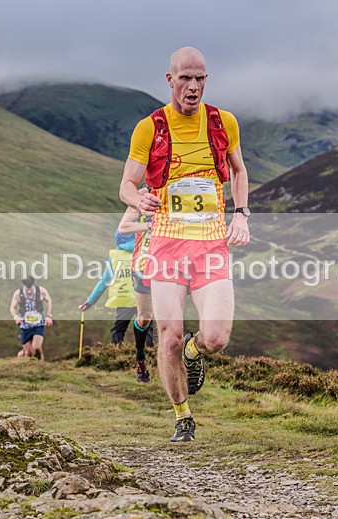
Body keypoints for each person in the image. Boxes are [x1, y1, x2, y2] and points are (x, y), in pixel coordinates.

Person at [119, 47, 250, 442]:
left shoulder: (223, 122)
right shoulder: (150, 128)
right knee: (169, 334)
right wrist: (136, 198)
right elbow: (127, 183)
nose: (193, 87)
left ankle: (195, 354)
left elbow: (239, 171)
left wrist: (241, 214)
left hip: (210, 246)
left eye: (201, 79)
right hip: (166, 247)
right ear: (170, 79)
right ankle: (182, 416)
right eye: (185, 79)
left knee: (216, 339)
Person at [79, 231, 154, 355]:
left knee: (118, 330)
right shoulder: (144, 253)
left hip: (123, 298)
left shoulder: (115, 257)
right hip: (143, 296)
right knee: (146, 328)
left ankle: (115, 356)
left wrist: (90, 301)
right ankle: (149, 357)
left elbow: (104, 282)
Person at [117, 199, 155, 383]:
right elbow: (123, 227)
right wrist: (148, 225)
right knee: (145, 316)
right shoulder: (140, 199)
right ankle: (140, 358)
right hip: (143, 264)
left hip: (172, 262)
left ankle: (173, 365)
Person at [10, 275, 53, 361]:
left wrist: (48, 316)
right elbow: (12, 307)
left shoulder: (40, 291)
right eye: (26, 286)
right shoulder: (19, 293)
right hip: (25, 326)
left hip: (38, 324)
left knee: (36, 349)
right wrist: (16, 317)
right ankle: (27, 367)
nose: (28, 289)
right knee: (28, 353)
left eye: (30, 286)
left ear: (33, 283)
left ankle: (41, 369)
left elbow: (49, 300)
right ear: (23, 284)